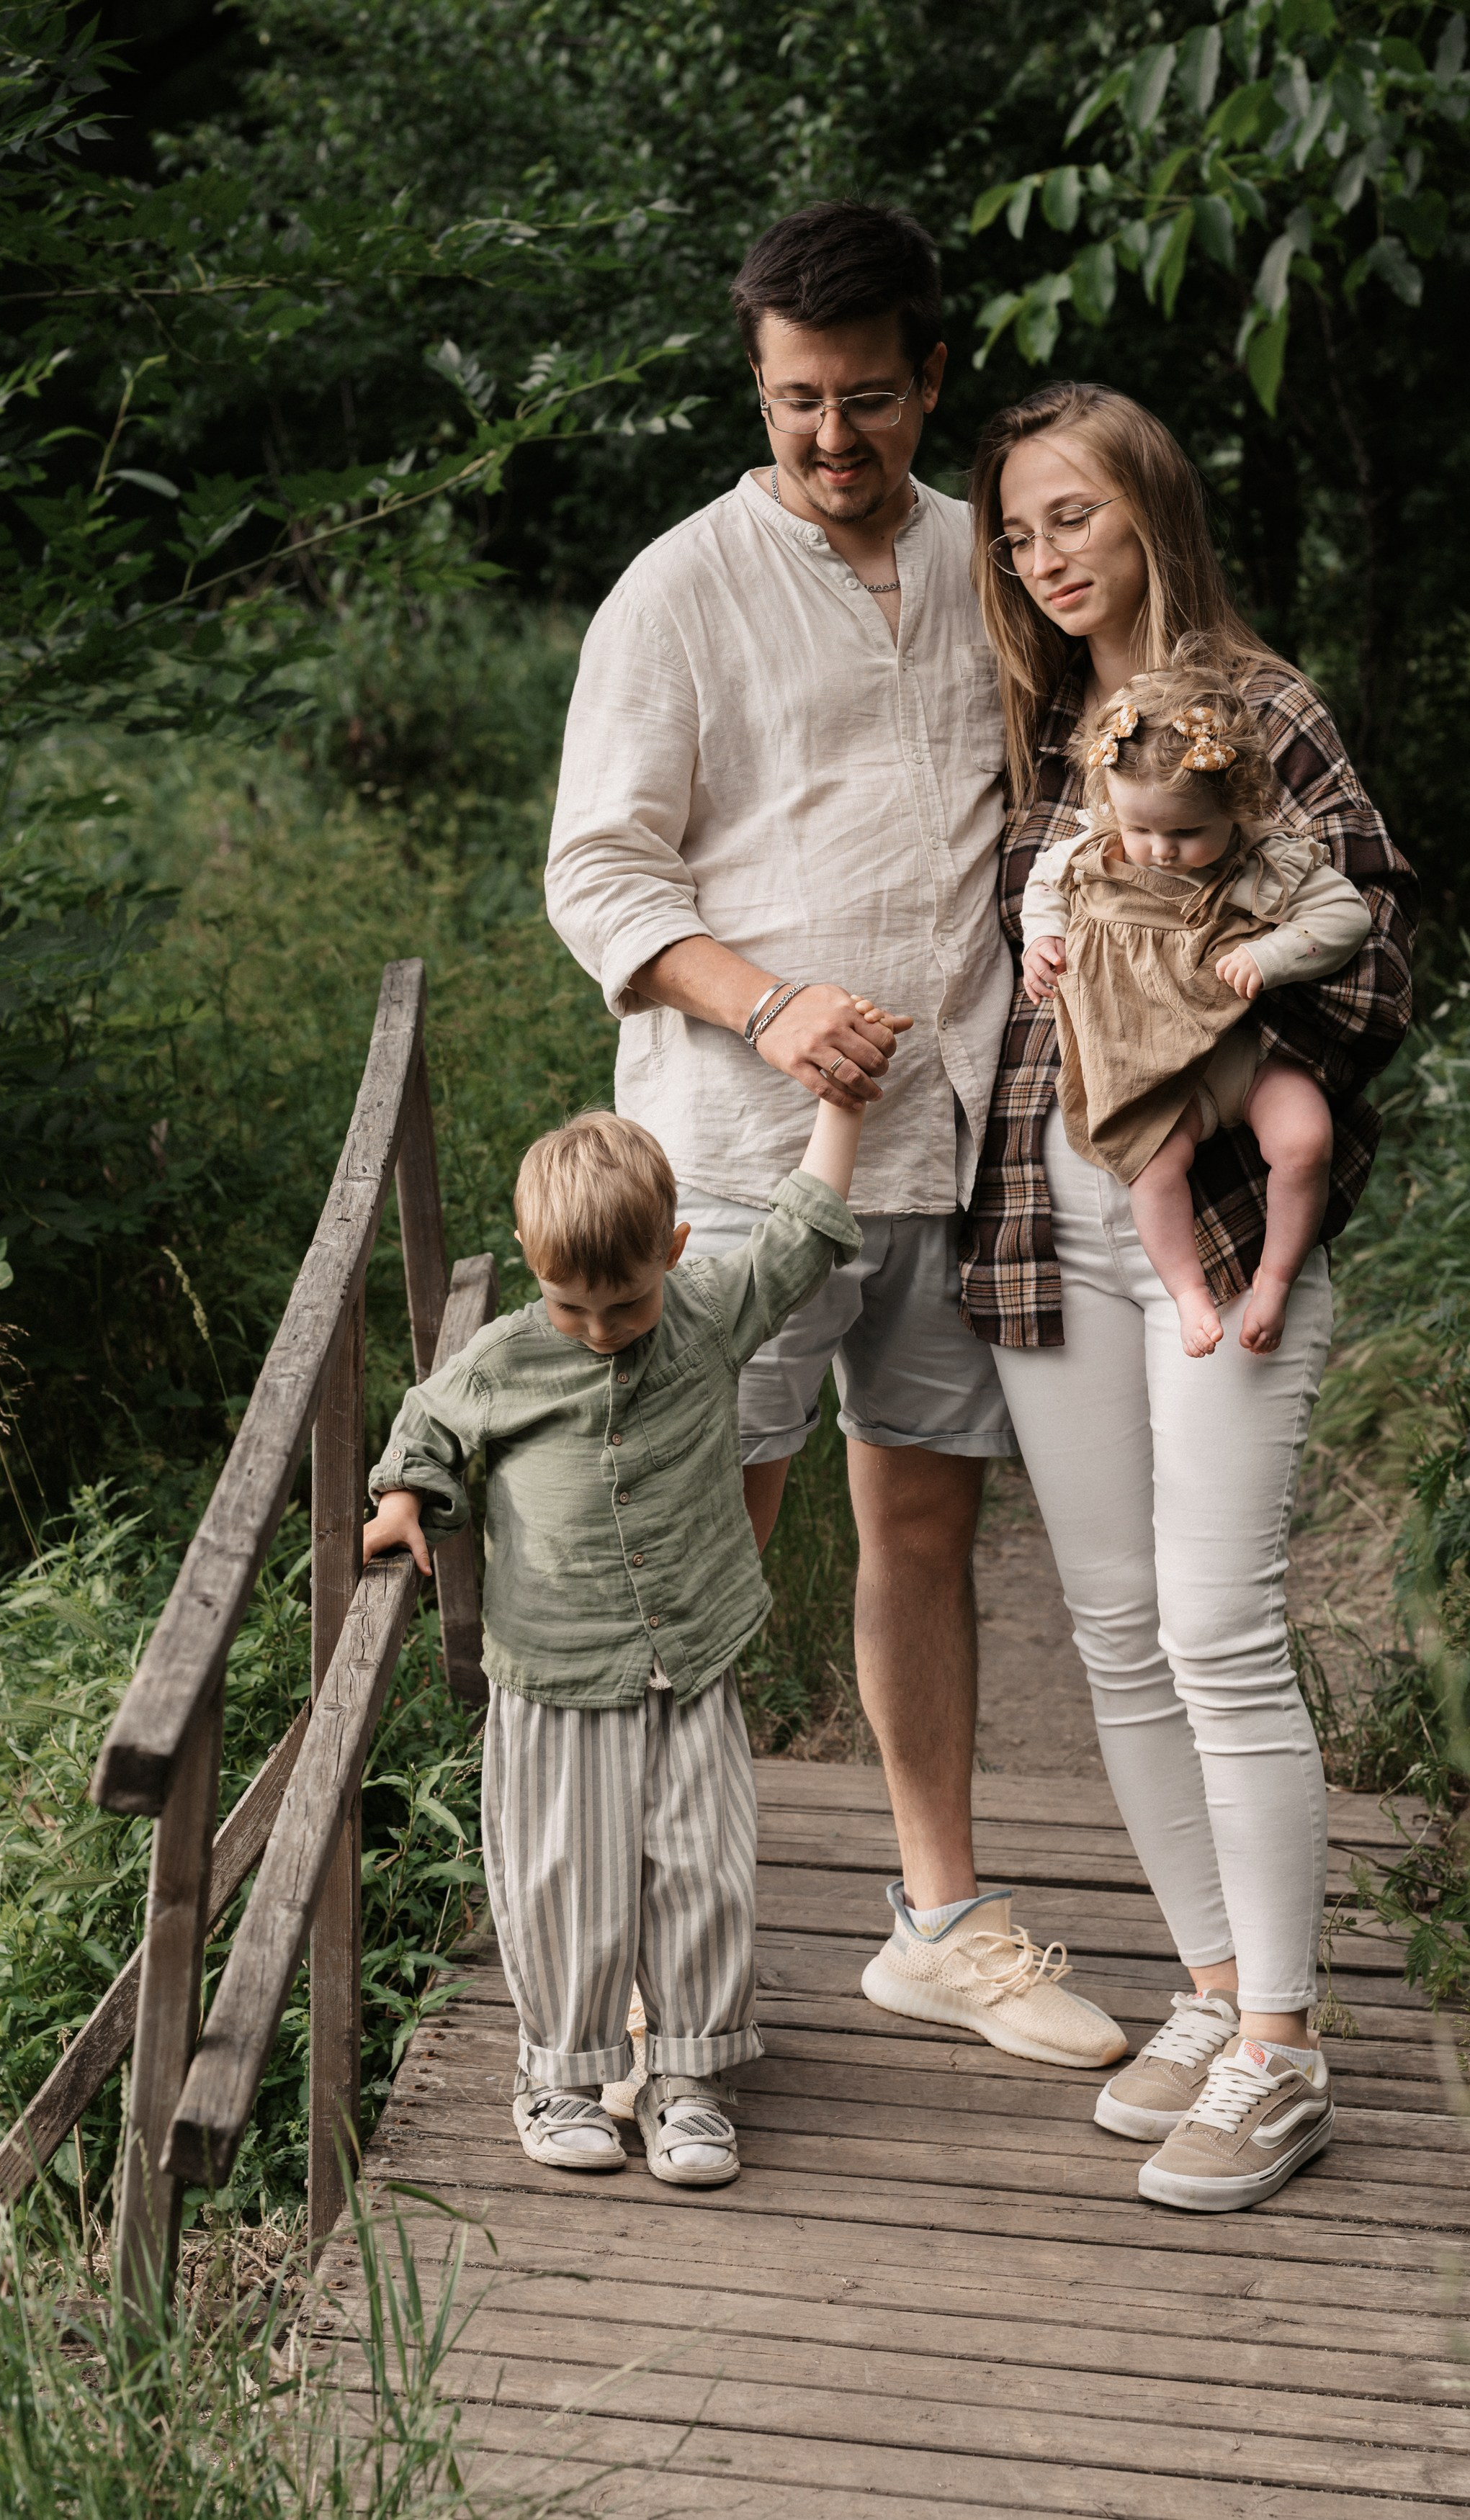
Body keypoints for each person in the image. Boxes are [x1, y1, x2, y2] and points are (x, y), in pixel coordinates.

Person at [547, 199, 1126, 2074]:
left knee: (927, 1526)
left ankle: (938, 1922)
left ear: (931, 379)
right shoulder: (680, 587)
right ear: (758, 382)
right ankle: (648, 1959)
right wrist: (767, 1002)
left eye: (868, 399)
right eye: (797, 400)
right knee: (706, 1547)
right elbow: (600, 872)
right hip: (737, 1158)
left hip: (951, 1142)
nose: (829, 438)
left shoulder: (994, 565)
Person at [962, 380, 1417, 2210]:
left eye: (1066, 515)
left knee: (1219, 1623)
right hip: (1053, 1218)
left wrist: (1235, 990)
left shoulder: (1258, 706)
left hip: (1219, 1226)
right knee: (1112, 1624)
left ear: (1148, 504)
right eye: (1011, 531)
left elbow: (1377, 942)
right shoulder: (1053, 726)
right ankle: (1213, 1993)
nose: (1038, 556)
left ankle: (1285, 2052)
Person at [362, 1097, 867, 2189]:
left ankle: (690, 2077)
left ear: (672, 1254)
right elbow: (430, 1426)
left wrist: (841, 1107)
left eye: (623, 1305)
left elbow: (804, 1231)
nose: (597, 1329)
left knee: (702, 1866)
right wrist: (406, 1499)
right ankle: (563, 2074)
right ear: (539, 1277)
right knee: (565, 1877)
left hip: (692, 1654)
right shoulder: (506, 1359)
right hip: (555, 1668)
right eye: (569, 1306)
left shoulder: (708, 1310)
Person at [1021, 662, 1372, 1359]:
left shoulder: (1259, 864)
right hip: (1156, 1073)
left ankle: (1272, 1280)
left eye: (1186, 831)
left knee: (1305, 1141)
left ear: (1237, 808)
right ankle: (1186, 1291)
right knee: (1155, 1168)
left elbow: (1345, 916)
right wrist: (1043, 937)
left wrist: (1271, 955)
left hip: (1243, 1060)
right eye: (1140, 827)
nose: (1160, 849)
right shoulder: (1094, 854)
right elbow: (1043, 881)